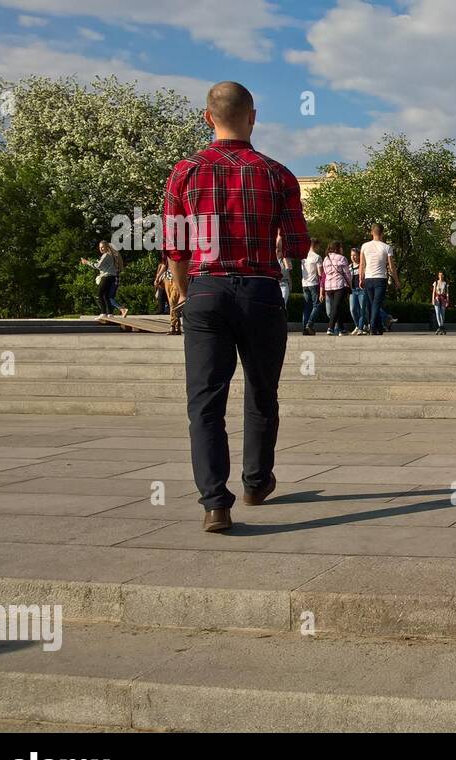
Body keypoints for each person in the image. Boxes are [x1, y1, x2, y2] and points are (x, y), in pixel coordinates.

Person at [163, 81, 309, 532]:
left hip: (206, 290)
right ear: (253, 117)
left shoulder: (184, 172)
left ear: (208, 118)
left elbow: (175, 246)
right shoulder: (277, 174)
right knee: (262, 394)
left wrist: (187, 292)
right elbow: (300, 248)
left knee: (205, 402)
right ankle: (256, 481)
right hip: (262, 291)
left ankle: (214, 503)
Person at [360, 223, 399, 336]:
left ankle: (378, 327)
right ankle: (373, 327)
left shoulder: (364, 246)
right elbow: (391, 267)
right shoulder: (387, 247)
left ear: (372, 232)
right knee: (376, 304)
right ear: (382, 233)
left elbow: (362, 264)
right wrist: (396, 281)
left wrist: (361, 278)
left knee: (371, 304)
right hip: (380, 279)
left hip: (368, 278)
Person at [82, 241, 126, 320]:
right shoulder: (111, 255)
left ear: (107, 247)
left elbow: (98, 266)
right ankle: (110, 314)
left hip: (106, 277)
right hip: (112, 277)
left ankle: (103, 313)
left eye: (102, 247)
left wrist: (87, 262)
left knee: (99, 294)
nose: (101, 249)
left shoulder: (106, 255)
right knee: (106, 296)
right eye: (99, 247)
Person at [319, 242, 353, 336]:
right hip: (339, 285)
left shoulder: (326, 259)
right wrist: (350, 285)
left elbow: (324, 273)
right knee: (336, 307)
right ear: (337, 248)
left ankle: (341, 329)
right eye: (341, 247)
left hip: (328, 286)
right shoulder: (342, 258)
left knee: (337, 307)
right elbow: (347, 274)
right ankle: (330, 328)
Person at [301, 238, 322, 335]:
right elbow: (320, 272)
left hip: (305, 283)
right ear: (316, 245)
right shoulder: (317, 257)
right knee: (317, 305)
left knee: (307, 306)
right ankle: (309, 324)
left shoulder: (303, 257)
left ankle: (305, 327)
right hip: (314, 283)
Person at [347, 248, 367, 335]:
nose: (353, 257)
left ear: (359, 255)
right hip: (353, 291)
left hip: (362, 290)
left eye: (355, 255)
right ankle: (358, 326)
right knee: (353, 309)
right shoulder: (349, 267)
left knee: (362, 309)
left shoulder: (363, 266)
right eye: (351, 255)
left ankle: (360, 328)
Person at [276, 236, 293, 308]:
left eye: (279, 250)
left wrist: (290, 285)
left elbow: (288, 270)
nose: (277, 252)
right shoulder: (273, 261)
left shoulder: (285, 259)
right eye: (277, 250)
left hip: (284, 284)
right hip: (275, 284)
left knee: (283, 304)